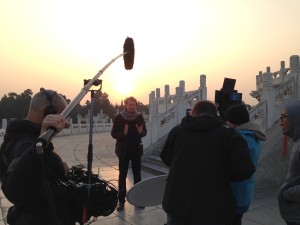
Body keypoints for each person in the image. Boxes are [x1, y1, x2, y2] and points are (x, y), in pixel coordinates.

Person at [160, 100, 255, 225]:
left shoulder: (177, 131)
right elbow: (245, 169)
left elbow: (166, 158)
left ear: (194, 113)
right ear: (216, 114)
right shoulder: (229, 135)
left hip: (178, 205)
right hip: (215, 208)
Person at [0, 88, 74, 225]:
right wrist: (39, 147)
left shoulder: (19, 137)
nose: (64, 124)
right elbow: (14, 190)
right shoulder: (25, 145)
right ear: (49, 114)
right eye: (62, 117)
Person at [224, 104, 266, 225]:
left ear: (234, 121)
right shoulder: (253, 136)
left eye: (229, 120)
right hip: (244, 193)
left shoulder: (240, 139)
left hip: (234, 194)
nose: (226, 123)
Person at [111, 96, 147, 211]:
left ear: (136, 105)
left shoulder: (139, 117)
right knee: (122, 176)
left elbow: (144, 131)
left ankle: (138, 199)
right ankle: (121, 201)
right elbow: (113, 133)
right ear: (125, 105)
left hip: (136, 150)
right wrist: (123, 133)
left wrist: (141, 132)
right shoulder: (119, 118)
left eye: (134, 104)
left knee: (137, 175)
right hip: (124, 151)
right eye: (130, 104)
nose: (132, 106)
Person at [277, 99, 300, 225]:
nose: (280, 123)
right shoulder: (296, 141)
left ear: (296, 119)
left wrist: (285, 193)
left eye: (283, 118)